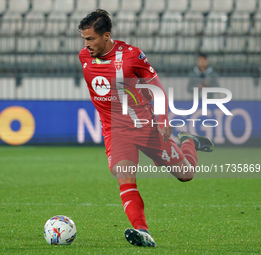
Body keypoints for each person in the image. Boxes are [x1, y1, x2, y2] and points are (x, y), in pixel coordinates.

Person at [78, 9, 214, 248]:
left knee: (186, 175)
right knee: (125, 178)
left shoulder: (132, 56)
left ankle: (188, 140)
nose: (86, 44)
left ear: (106, 36)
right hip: (116, 132)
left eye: (90, 39)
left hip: (146, 127)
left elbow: (156, 87)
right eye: (84, 39)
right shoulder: (84, 57)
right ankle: (142, 231)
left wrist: (162, 119)